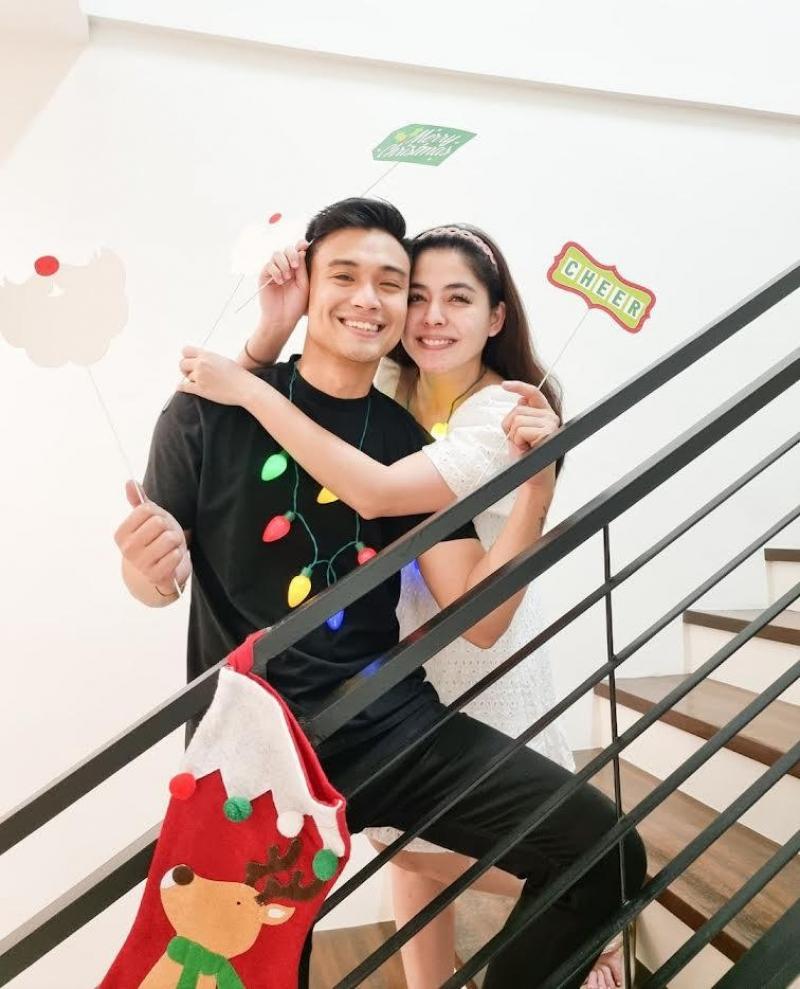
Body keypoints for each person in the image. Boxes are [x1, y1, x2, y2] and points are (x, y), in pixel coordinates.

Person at [115, 198, 645, 989]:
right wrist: (146, 568)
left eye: (390, 284)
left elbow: (479, 615)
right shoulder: (206, 411)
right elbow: (154, 581)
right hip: (254, 748)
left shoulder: (402, 441)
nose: (370, 298)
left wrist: (537, 487)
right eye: (345, 275)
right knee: (245, 966)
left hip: (390, 725)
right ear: (306, 284)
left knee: (604, 851)